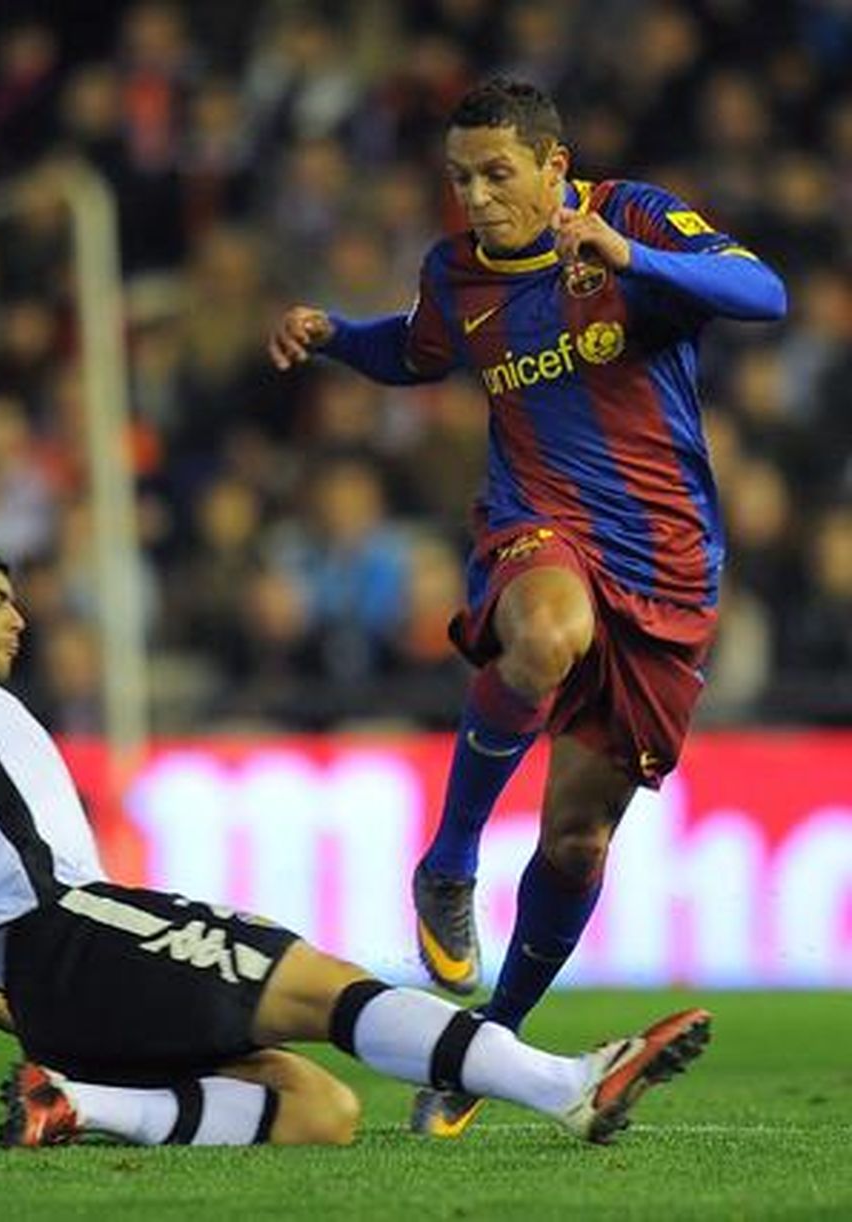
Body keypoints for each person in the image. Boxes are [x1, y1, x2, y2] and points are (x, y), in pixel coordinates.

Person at [0, 408, 710, 1149]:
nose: (18, 619)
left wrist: (52, 1031)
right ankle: (567, 1084)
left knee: (317, 1109)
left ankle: (78, 1102)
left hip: (47, 989)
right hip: (75, 927)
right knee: (324, 986)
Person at [267, 77, 786, 1137]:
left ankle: (485, 1046)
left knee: (578, 841)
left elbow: (763, 291)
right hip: (536, 522)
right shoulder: (455, 273)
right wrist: (334, 335)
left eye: (496, 174)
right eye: (460, 178)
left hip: (667, 566)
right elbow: (414, 351)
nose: (476, 197)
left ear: (555, 168)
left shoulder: (632, 215)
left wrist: (630, 257)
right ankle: (449, 860)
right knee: (545, 632)